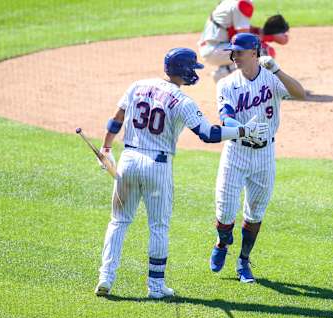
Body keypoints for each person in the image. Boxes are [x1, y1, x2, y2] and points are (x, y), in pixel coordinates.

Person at [94, 47, 269, 298]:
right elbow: (209, 134)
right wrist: (243, 131)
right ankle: (155, 287)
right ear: (185, 71)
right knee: (158, 227)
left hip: (128, 160)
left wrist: (106, 147)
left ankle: (106, 277)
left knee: (119, 222)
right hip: (158, 166)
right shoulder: (183, 102)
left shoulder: (137, 86)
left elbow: (116, 119)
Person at [209, 33, 306, 283]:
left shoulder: (272, 79)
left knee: (255, 213)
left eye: (239, 52)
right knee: (225, 210)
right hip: (236, 151)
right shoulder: (227, 83)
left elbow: (300, 93)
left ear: (254, 53)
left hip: (265, 154)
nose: (234, 57)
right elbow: (225, 116)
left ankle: (243, 261)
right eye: (233, 52)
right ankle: (222, 242)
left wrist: (278, 70)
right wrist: (243, 129)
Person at [198, 0, 290, 82]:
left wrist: (262, 32)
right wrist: (273, 37)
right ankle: (224, 73)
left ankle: (227, 70)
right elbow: (244, 39)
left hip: (214, 47)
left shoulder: (229, 2)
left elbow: (236, 30)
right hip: (215, 50)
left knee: (254, 49)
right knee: (263, 51)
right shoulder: (242, 3)